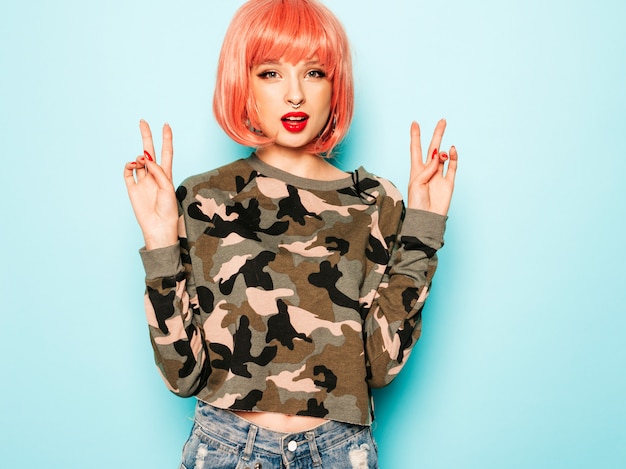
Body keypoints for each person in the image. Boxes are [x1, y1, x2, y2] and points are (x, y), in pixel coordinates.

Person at [123, 0, 457, 467]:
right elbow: (183, 376)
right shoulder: (202, 198)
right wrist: (160, 238)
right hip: (225, 448)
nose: (295, 95)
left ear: (335, 84)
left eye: (315, 72)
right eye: (271, 72)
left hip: (339, 452)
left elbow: (380, 368)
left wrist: (424, 227)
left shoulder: (374, 202)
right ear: (244, 84)